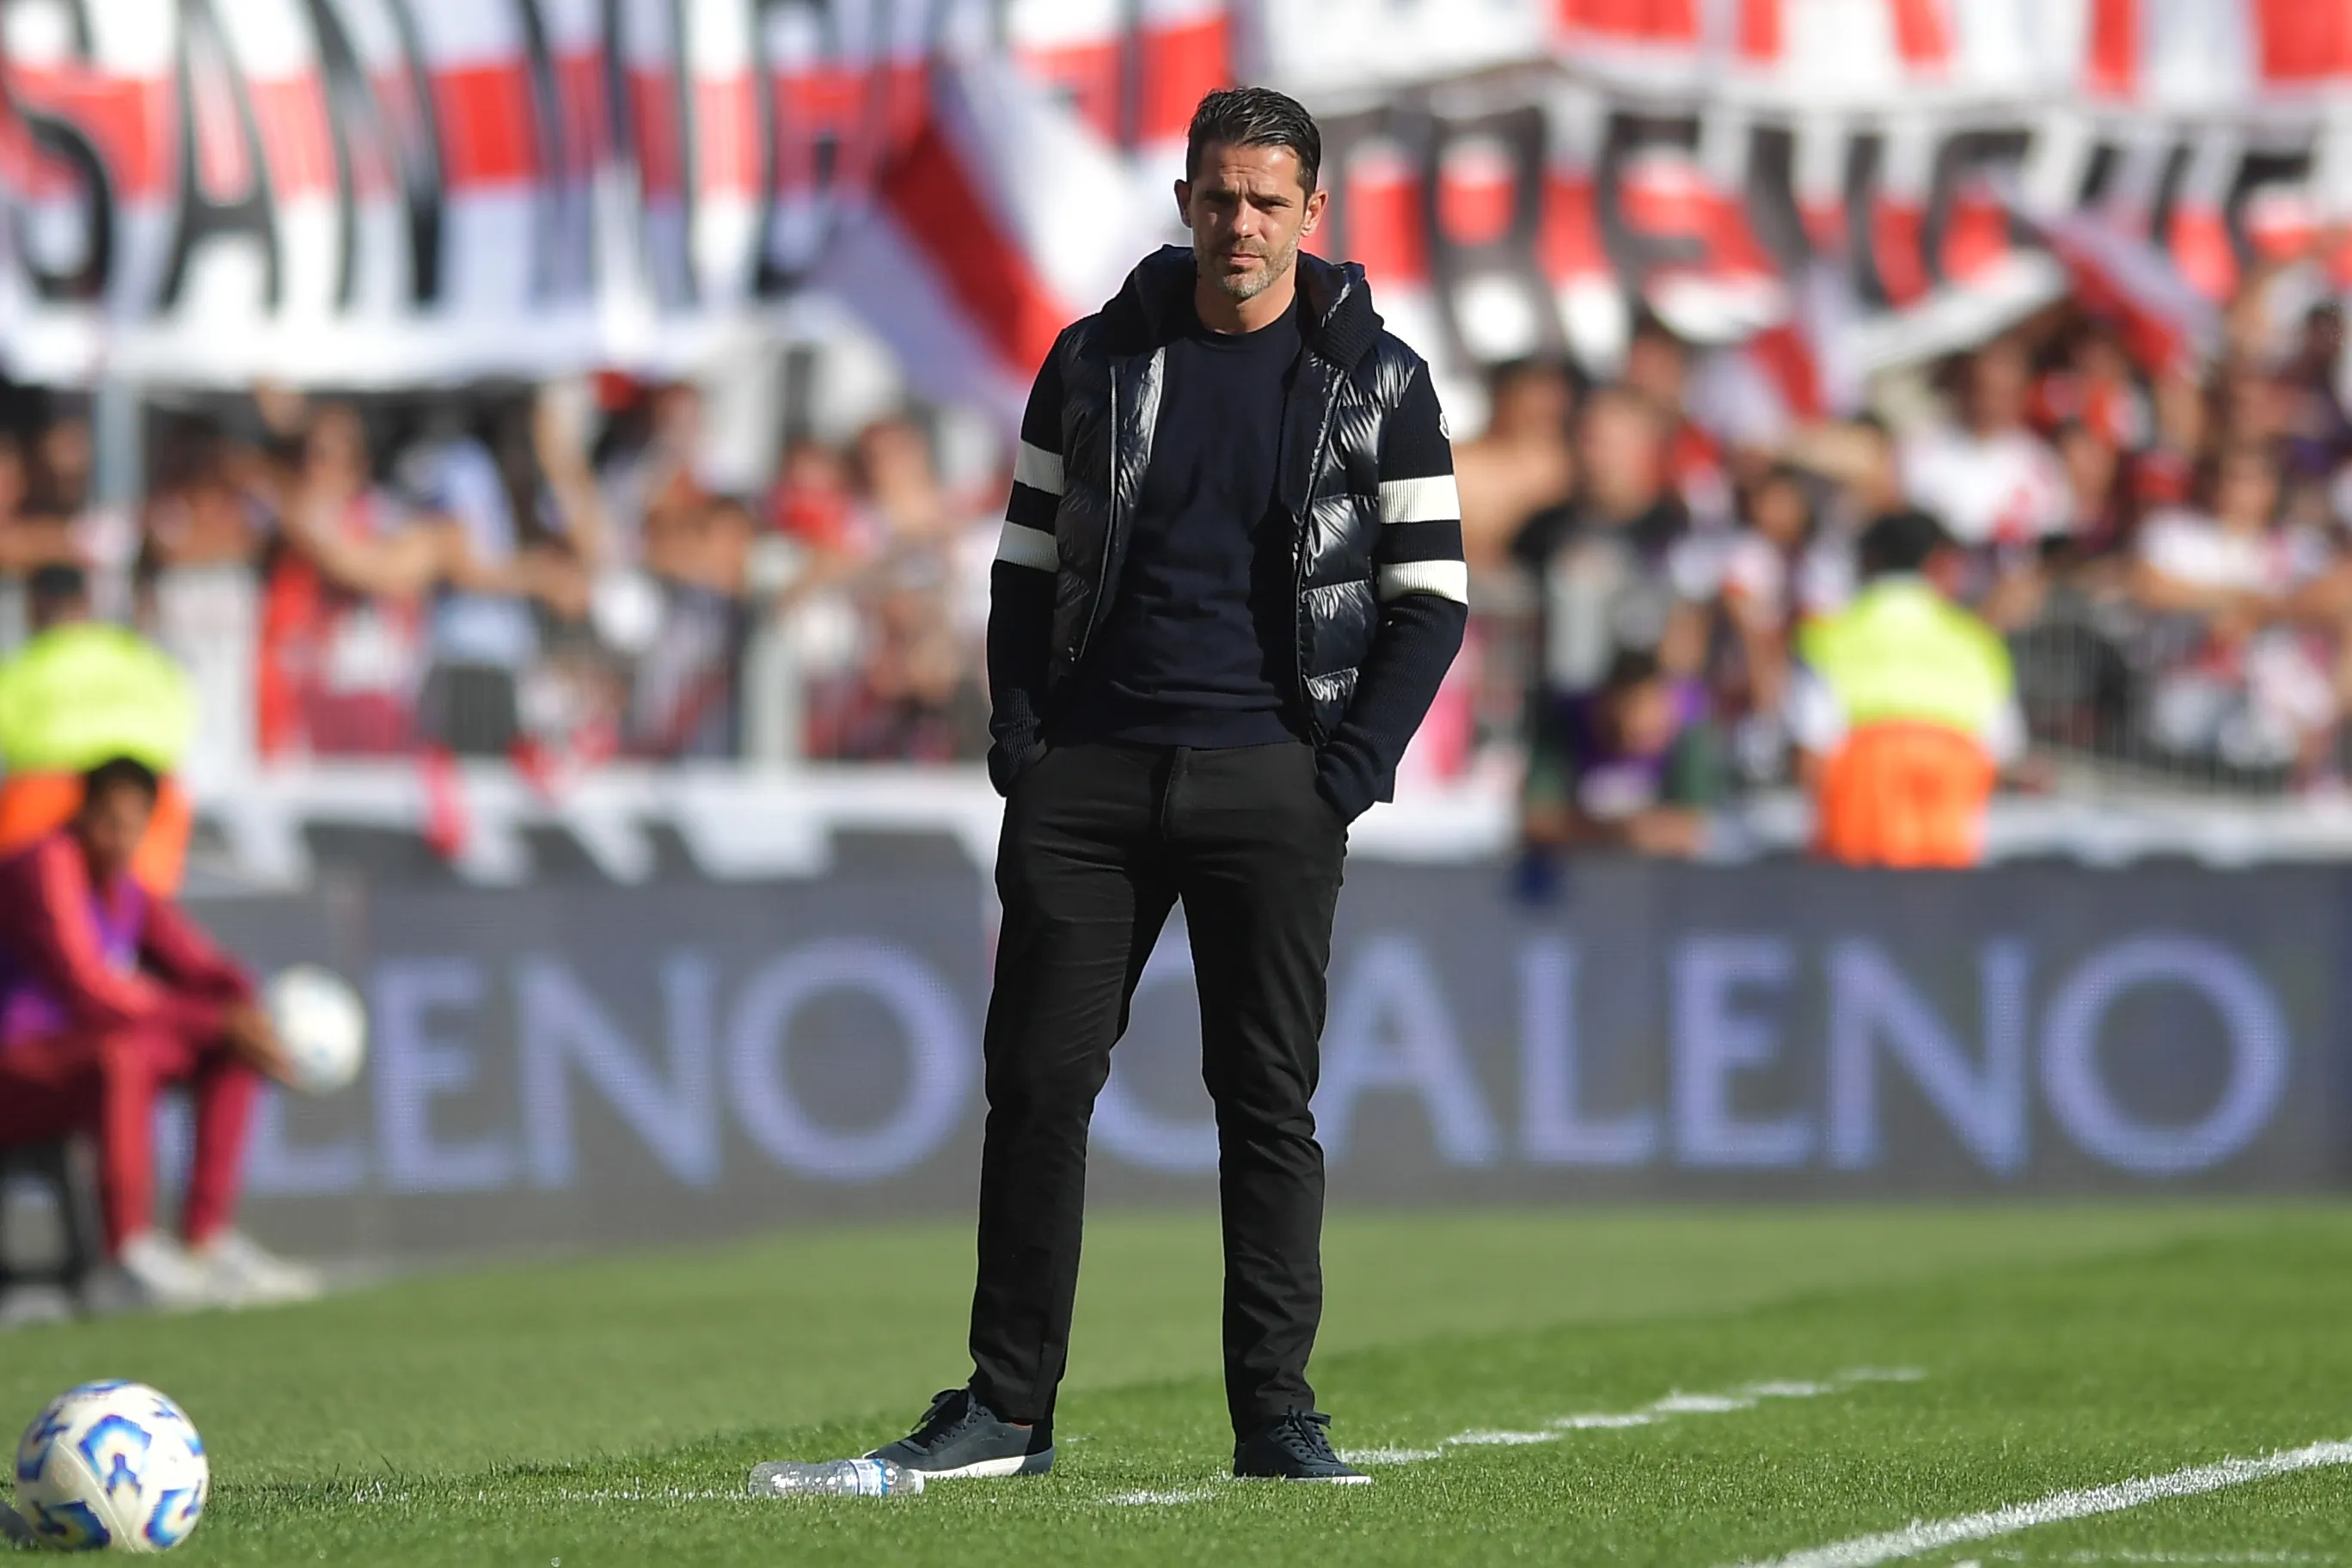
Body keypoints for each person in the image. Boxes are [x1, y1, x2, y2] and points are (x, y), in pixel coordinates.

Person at [840, 86, 1465, 1486]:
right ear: (1184, 200)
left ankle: (1277, 1416)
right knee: (1038, 1089)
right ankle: (1007, 1411)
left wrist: (1344, 774)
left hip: (1273, 780)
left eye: (1266, 199)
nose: (1238, 223)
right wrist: (1021, 739)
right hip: (1088, 783)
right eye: (1217, 195)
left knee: (1265, 1101)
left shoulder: (1384, 379)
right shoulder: (1095, 360)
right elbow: (1018, 571)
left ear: (1313, 211)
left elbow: (1430, 602)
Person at [0, 756, 318, 1308]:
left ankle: (204, 1245)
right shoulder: (43, 867)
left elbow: (199, 963)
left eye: (131, 825)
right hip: (18, 1070)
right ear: (83, 812)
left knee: (228, 1049)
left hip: (76, 1069)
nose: (117, 838)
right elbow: (89, 990)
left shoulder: (126, 889)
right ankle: (130, 1258)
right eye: (106, 821)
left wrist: (244, 1002)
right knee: (121, 1054)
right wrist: (216, 1018)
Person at [1790, 511, 2024, 868]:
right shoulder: (1977, 642)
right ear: (1938, 564)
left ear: (1869, 560)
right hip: (1948, 849)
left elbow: (1811, 756)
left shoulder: (1829, 635)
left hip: (1858, 847)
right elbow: (2003, 751)